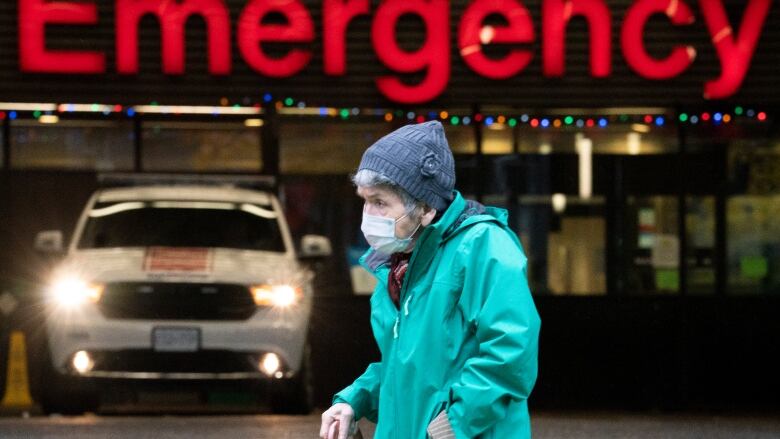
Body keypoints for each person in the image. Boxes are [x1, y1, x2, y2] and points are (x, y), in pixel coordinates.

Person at [319, 121, 541, 439]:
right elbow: (408, 372)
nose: (368, 214)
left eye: (380, 202)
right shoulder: (395, 268)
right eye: (365, 200)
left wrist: (455, 422)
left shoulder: (482, 245)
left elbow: (511, 351)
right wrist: (355, 400)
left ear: (425, 208)